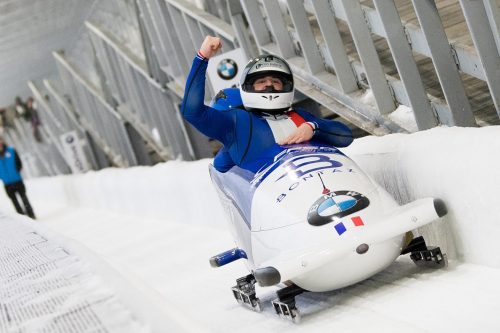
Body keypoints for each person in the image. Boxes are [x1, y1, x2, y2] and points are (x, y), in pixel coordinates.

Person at [181, 36, 353, 173]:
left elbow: (345, 136)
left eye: (276, 81)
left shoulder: (300, 116)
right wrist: (202, 57)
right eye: (261, 81)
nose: (269, 85)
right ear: (249, 87)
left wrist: (314, 127)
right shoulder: (237, 122)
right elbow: (192, 112)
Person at [0, 135, 36, 219]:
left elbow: (19, 163)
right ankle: (22, 218)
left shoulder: (11, 151)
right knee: (14, 202)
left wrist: (17, 170)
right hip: (7, 183)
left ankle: (31, 215)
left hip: (17, 180)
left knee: (24, 198)